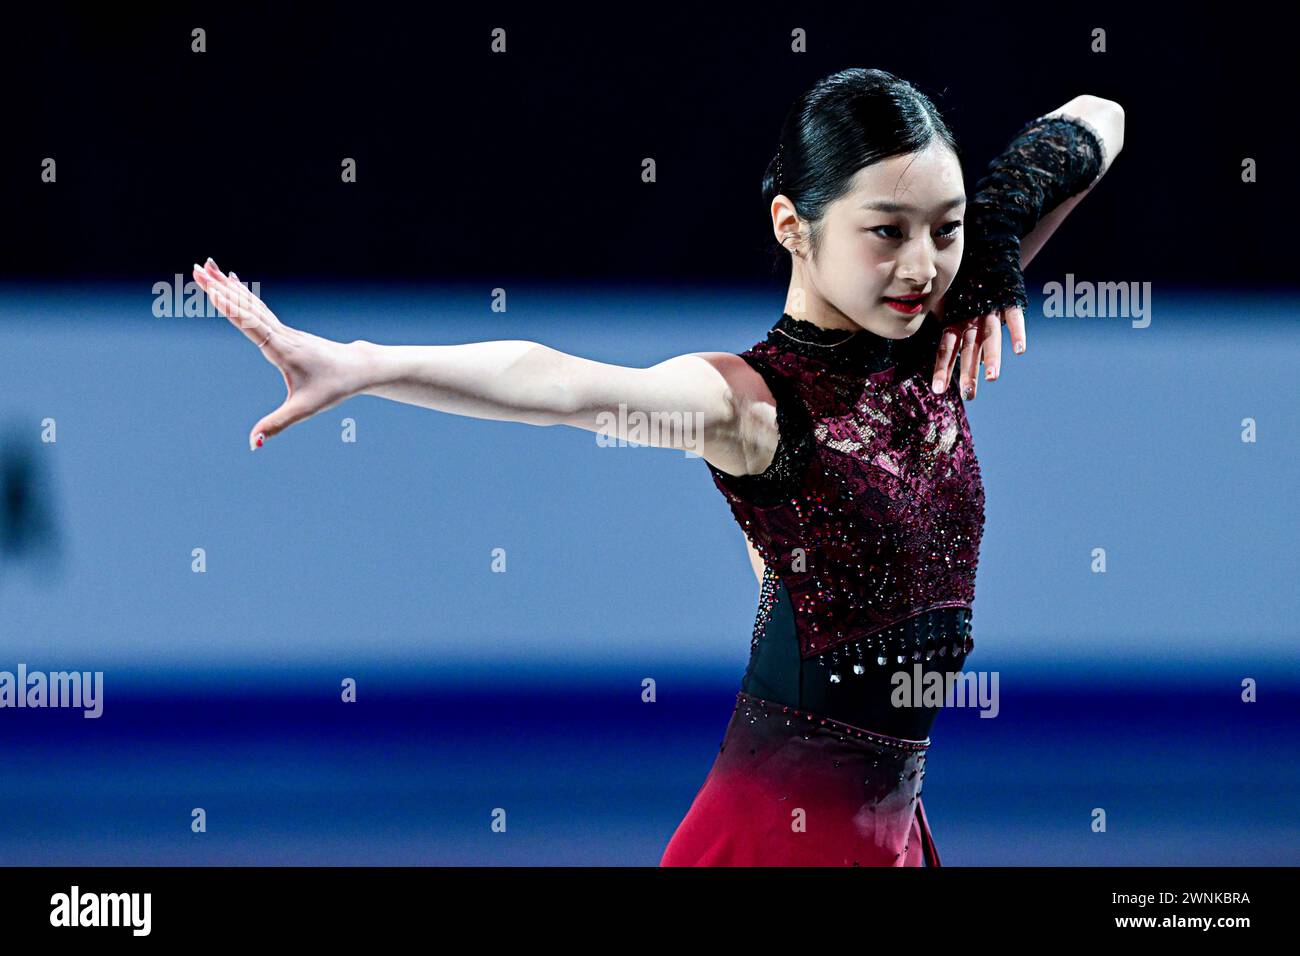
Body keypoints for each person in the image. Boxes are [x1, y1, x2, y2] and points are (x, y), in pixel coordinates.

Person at [190, 67, 1123, 867]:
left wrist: (995, 242)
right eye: (887, 232)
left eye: (947, 229)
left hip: (892, 833)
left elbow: (1101, 116)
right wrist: (362, 364)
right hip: (778, 840)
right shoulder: (754, 405)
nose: (923, 265)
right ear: (794, 226)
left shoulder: (933, 335)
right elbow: (560, 384)